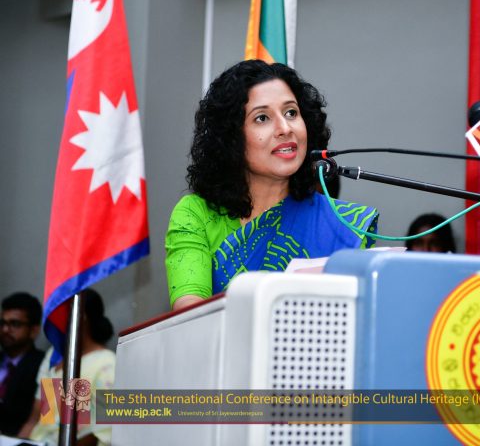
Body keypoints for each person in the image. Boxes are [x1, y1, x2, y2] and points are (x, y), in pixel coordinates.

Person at [166, 60, 379, 311]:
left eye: (291, 113)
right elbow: (190, 314)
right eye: (262, 118)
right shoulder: (196, 215)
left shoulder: (340, 224)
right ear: (231, 138)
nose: (285, 128)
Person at [20, 289, 115, 446]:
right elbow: (35, 419)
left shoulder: (107, 364)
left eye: (59, 315)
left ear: (80, 317)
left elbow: (101, 433)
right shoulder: (54, 355)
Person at [0, 292, 45, 436]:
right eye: (2, 323)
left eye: (15, 324)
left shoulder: (44, 366)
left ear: (34, 330)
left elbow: (46, 420)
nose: (5, 330)